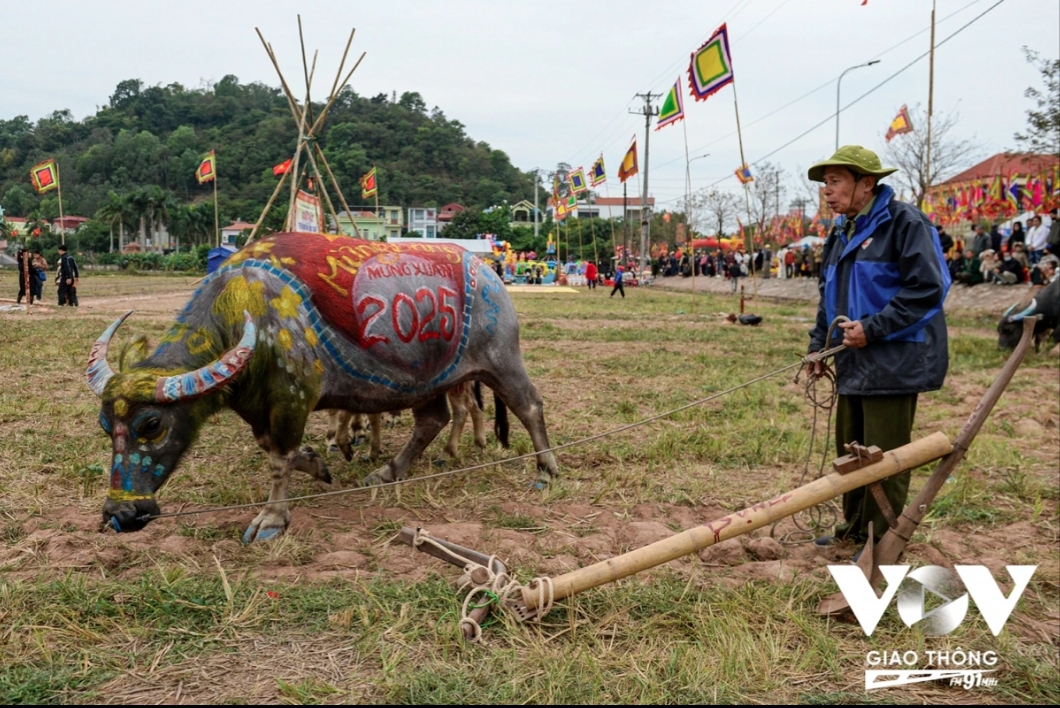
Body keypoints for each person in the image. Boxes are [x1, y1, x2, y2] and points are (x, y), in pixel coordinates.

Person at [805, 145, 950, 552]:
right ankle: (852, 530)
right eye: (825, 184)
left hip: (894, 358)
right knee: (850, 450)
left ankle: (881, 541)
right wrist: (820, 346)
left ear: (866, 183)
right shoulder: (841, 232)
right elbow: (828, 299)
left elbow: (928, 289)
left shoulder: (905, 223)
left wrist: (874, 328)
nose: (827, 192)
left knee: (883, 456)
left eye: (835, 182)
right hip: (853, 357)